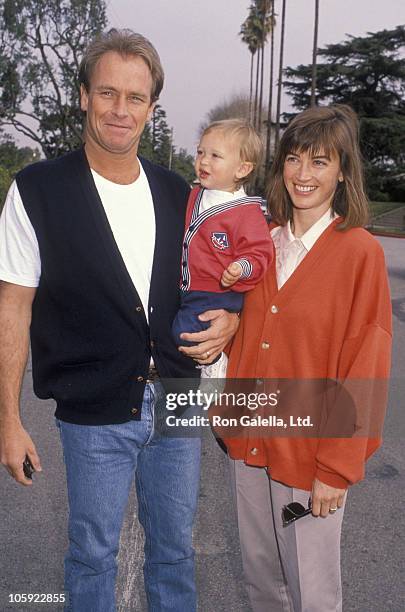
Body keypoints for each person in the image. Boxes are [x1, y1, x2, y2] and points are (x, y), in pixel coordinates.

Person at [0, 29, 238, 612]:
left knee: (175, 554)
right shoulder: (37, 191)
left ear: (152, 108)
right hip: (93, 410)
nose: (120, 110)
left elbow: (212, 284)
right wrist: (7, 419)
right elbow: (12, 307)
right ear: (83, 95)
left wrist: (229, 323)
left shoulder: (179, 192)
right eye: (107, 93)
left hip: (178, 402)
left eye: (136, 98)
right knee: (91, 555)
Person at [219, 105, 392, 612]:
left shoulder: (360, 253)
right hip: (249, 447)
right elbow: (240, 333)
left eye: (319, 162)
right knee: (261, 583)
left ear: (342, 171)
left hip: (309, 459)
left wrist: (336, 468)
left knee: (311, 592)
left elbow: (367, 362)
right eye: (293, 160)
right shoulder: (261, 242)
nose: (303, 175)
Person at [172, 119, 273, 380]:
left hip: (217, 292)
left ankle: (216, 365)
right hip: (189, 287)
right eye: (201, 152)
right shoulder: (195, 195)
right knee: (179, 331)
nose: (204, 161)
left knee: (185, 331)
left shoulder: (247, 212)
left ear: (242, 168)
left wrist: (241, 268)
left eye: (215, 156)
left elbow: (260, 253)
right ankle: (204, 367)